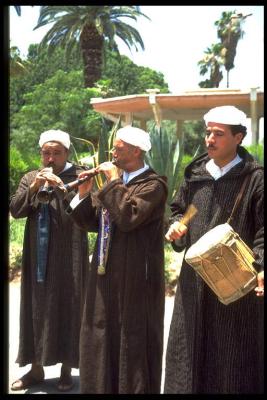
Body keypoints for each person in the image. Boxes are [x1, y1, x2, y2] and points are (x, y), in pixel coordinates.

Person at [164, 105, 264, 394]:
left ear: (239, 138)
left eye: (218, 134)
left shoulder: (254, 178)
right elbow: (183, 211)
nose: (209, 139)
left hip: (235, 282)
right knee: (188, 348)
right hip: (193, 282)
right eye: (208, 132)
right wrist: (177, 228)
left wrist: (260, 265)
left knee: (232, 352)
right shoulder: (195, 175)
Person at [65, 125, 168, 394]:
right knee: (100, 335)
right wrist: (84, 193)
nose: (112, 153)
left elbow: (128, 217)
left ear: (136, 151)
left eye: (118, 149)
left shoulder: (154, 185)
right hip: (104, 275)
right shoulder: (117, 183)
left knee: (131, 340)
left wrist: (112, 182)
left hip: (135, 280)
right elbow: (92, 222)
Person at [9, 129, 89, 392]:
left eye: (56, 153)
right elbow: (17, 210)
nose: (51, 157)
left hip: (71, 253)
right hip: (38, 257)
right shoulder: (31, 177)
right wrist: (34, 187)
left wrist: (62, 188)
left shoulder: (80, 175)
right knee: (37, 306)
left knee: (70, 304)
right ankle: (36, 369)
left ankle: (67, 368)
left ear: (67, 153)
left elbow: (89, 210)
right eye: (46, 153)